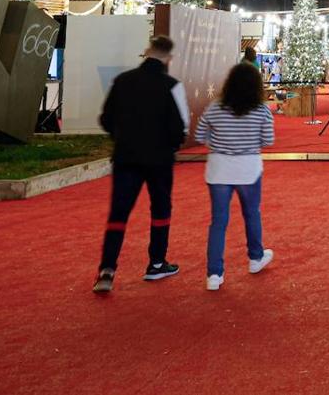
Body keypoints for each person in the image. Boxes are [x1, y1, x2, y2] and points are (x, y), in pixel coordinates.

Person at [93, 35, 190, 293]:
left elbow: (105, 118)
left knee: (119, 213)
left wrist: (122, 137)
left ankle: (107, 270)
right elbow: (181, 127)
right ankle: (156, 263)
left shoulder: (122, 81)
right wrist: (169, 145)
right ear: (169, 58)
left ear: (147, 52)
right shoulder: (172, 86)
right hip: (159, 159)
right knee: (160, 209)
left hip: (126, 157)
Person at [195, 62, 275, 291]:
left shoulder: (215, 107)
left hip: (219, 169)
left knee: (218, 222)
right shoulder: (261, 110)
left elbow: (200, 135)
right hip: (248, 169)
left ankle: (214, 274)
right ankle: (255, 258)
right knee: (251, 214)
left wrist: (218, 142)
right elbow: (268, 141)